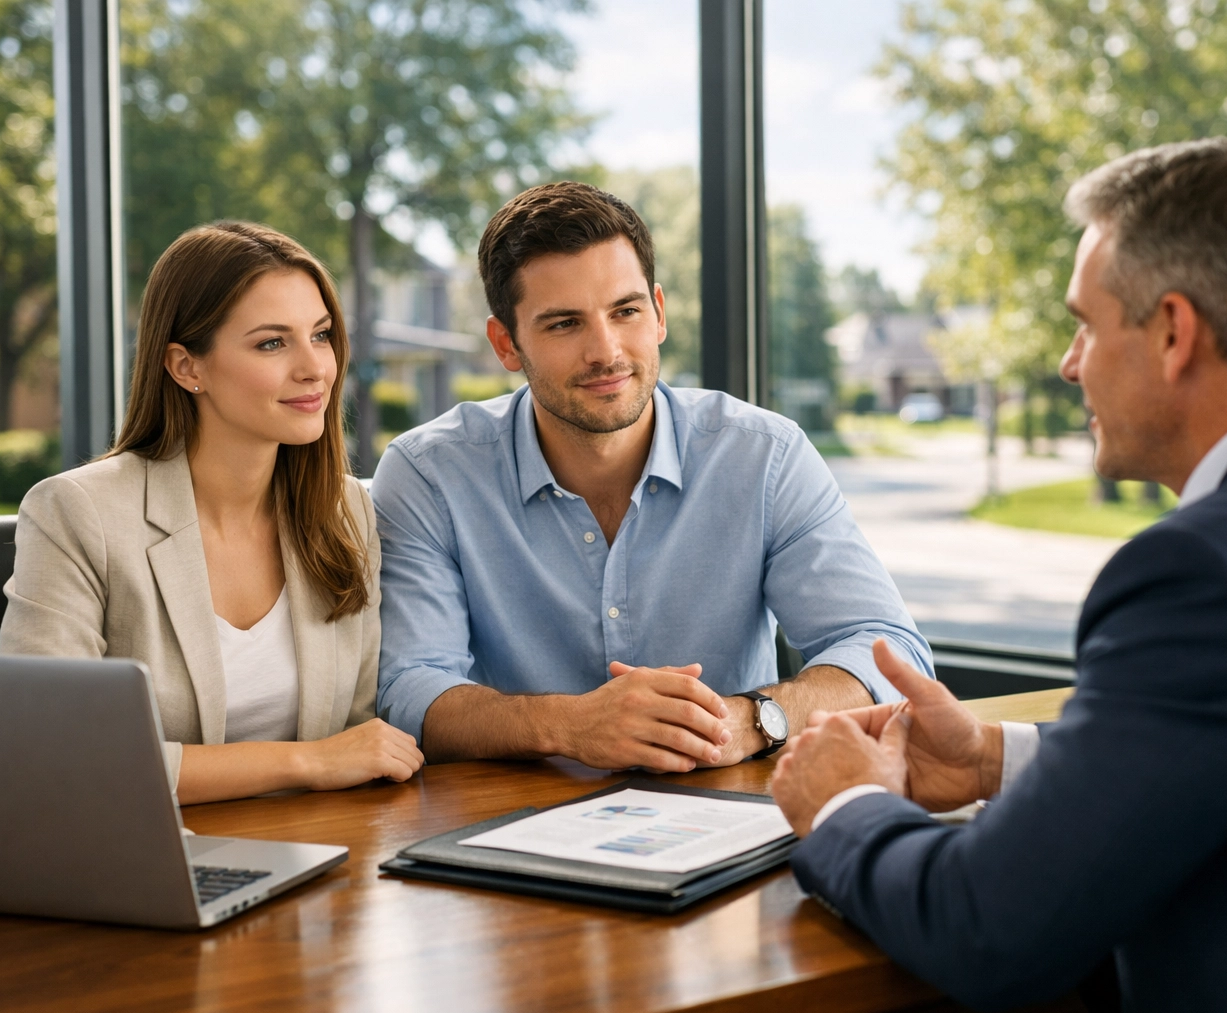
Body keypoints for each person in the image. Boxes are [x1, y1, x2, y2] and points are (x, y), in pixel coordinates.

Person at [770, 138, 1227, 1013]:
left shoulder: (1209, 570)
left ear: (1174, 332)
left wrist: (845, 803)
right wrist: (991, 757)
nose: (1069, 363)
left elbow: (989, 929)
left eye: (1086, 324)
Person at [373, 181, 932, 771]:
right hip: (506, 820)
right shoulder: (428, 473)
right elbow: (409, 688)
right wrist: (569, 725)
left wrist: (752, 719)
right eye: (564, 324)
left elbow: (887, 650)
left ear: (659, 313)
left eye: (626, 311)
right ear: (506, 344)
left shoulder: (765, 456)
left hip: (726, 808)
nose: (606, 350)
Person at [0, 222, 423, 804]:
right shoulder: (76, 513)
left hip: (319, 853)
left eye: (320, 335)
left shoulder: (345, 511)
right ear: (185, 367)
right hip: (145, 866)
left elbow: (360, 735)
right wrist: (305, 762)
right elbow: (50, 749)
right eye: (272, 343)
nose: (315, 368)